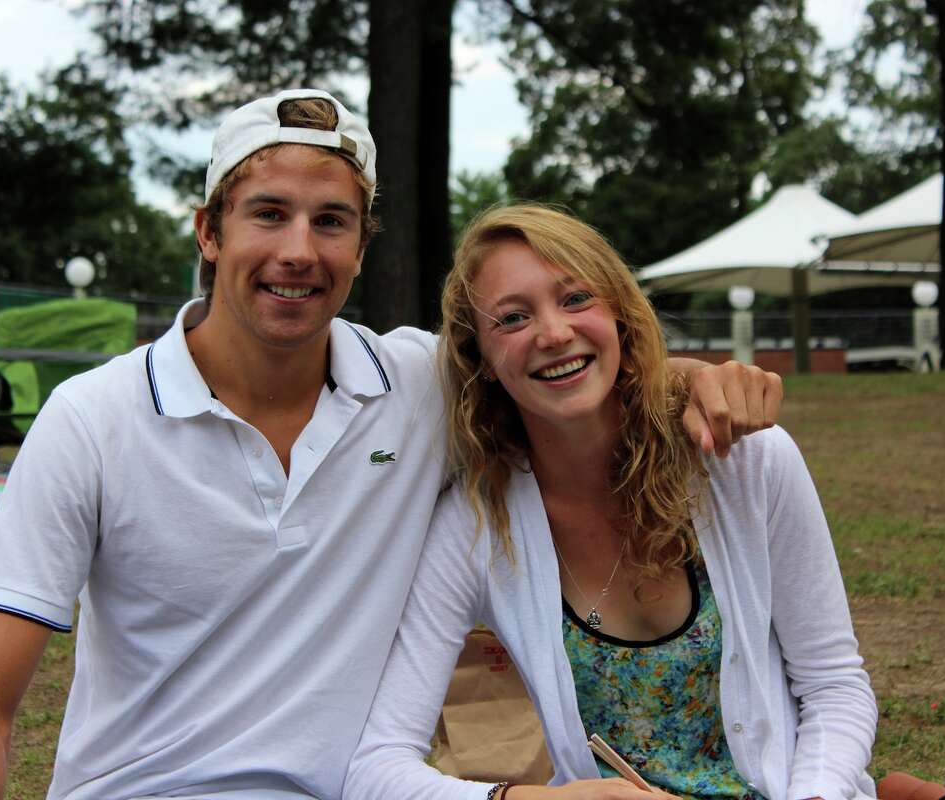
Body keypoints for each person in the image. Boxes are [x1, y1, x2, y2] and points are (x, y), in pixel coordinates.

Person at [0, 91, 782, 800]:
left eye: (332, 221)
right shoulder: (92, 419)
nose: (299, 250)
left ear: (361, 248)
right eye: (269, 214)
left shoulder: (419, 386)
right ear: (209, 232)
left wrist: (690, 378)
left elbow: (553, 361)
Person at [344, 205, 877, 800]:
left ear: (621, 316)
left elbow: (833, 685)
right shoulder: (476, 526)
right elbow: (376, 767)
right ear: (482, 362)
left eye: (575, 299)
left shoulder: (746, 463)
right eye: (513, 318)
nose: (552, 333)